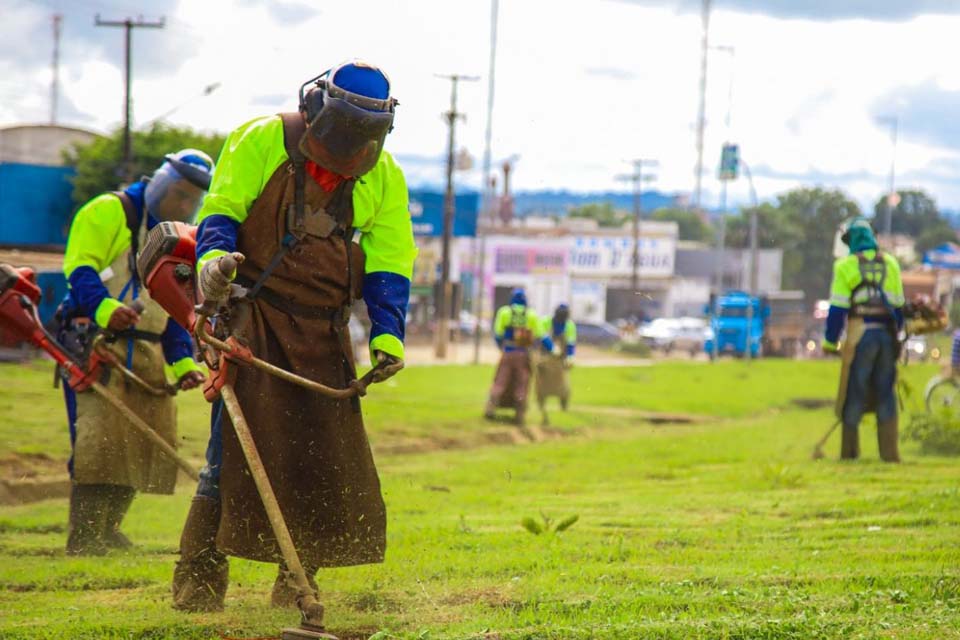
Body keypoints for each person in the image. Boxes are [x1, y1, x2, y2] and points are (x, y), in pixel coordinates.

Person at [172, 61, 416, 612]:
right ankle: (198, 585)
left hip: (324, 331)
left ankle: (298, 579)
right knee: (229, 448)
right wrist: (213, 264)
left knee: (320, 454)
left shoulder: (384, 174)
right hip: (252, 318)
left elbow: (391, 261)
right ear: (314, 110)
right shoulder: (263, 139)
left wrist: (388, 335)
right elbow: (223, 210)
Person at [60, 150, 213, 555]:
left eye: (190, 201)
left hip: (148, 354)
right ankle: (85, 534)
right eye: (177, 194)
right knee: (97, 443)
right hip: (97, 346)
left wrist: (183, 364)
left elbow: (174, 303)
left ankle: (109, 528)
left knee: (139, 443)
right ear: (161, 182)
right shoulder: (109, 211)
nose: (182, 205)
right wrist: (105, 309)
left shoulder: (181, 236)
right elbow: (80, 269)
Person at [822, 217, 904, 462]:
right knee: (885, 391)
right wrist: (896, 336)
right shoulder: (891, 263)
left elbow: (837, 310)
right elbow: (899, 309)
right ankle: (889, 454)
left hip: (861, 335)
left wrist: (829, 342)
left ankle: (849, 453)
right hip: (887, 337)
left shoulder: (845, 266)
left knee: (854, 390)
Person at [484, 288, 553, 427]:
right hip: (523, 356)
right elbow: (542, 335)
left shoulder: (504, 312)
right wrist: (552, 349)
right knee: (522, 384)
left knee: (500, 381)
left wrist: (502, 348)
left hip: (508, 354)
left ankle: (490, 409)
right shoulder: (531, 315)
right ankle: (519, 414)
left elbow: (498, 335)